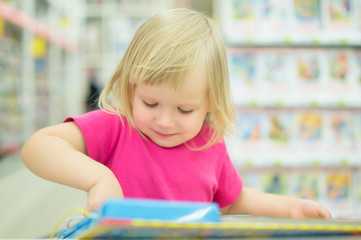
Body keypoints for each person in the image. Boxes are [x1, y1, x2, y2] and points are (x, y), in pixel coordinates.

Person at [21, 8, 331, 219]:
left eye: (184, 109)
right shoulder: (118, 127)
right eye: (150, 103)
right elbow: (39, 146)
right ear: (131, 87)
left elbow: (233, 199)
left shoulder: (210, 144)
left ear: (211, 102)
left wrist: (290, 207)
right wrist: (99, 178)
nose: (165, 121)